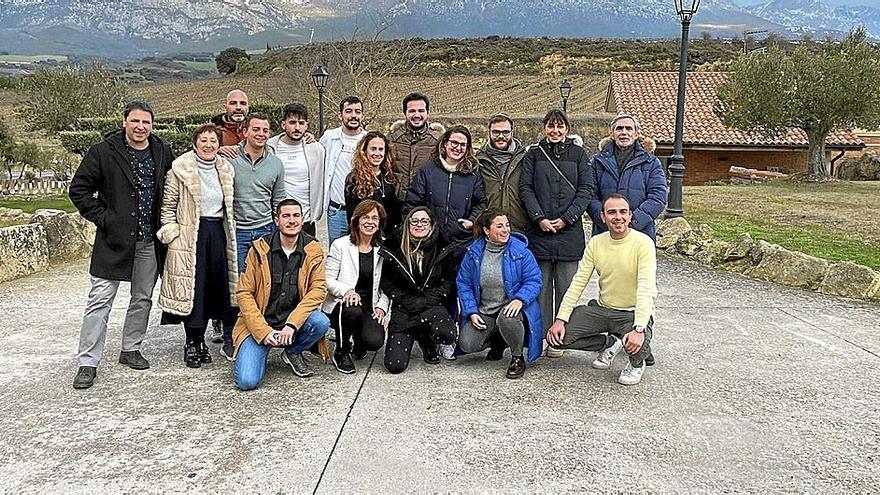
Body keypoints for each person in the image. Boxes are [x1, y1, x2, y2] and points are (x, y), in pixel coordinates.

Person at [69, 100, 173, 389]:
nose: (141, 127)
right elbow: (78, 190)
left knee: (142, 298)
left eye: (146, 123)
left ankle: (130, 348)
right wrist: (105, 219)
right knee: (100, 301)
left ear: (152, 125)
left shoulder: (162, 151)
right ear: (125, 121)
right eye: (136, 121)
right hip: (113, 240)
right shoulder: (103, 152)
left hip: (149, 241)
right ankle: (87, 362)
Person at [547, 193, 657, 386]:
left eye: (623, 212)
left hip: (631, 313)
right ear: (602, 217)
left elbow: (646, 288)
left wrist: (639, 328)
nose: (618, 217)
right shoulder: (596, 243)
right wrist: (560, 319)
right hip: (603, 309)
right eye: (612, 212)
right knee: (557, 339)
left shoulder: (643, 243)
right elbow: (578, 282)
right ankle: (610, 343)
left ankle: (636, 364)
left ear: (630, 216)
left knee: (638, 345)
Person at [156, 124, 238, 368]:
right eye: (203, 140)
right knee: (193, 289)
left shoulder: (225, 169)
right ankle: (193, 341)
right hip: (190, 234)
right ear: (195, 144)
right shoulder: (179, 171)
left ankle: (207, 338)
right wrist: (173, 233)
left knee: (215, 287)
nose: (209, 144)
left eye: (213, 140)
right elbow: (168, 207)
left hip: (217, 233)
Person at [232, 199, 331, 390]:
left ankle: (292, 351)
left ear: (302, 220)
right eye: (286, 216)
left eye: (296, 215)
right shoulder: (259, 249)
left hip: (293, 324)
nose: (292, 220)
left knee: (320, 322)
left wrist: (292, 325)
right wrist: (263, 331)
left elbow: (318, 290)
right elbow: (244, 293)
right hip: (261, 325)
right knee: (246, 382)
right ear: (276, 220)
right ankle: (260, 349)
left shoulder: (313, 249)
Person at [519, 109, 591, 359]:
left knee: (566, 289)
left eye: (560, 126)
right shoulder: (534, 155)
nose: (555, 130)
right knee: (540, 291)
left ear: (567, 129)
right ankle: (540, 338)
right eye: (551, 126)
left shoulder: (579, 155)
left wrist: (566, 218)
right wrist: (539, 217)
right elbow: (525, 188)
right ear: (544, 128)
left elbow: (586, 189)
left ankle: (560, 337)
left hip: (568, 234)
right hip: (540, 233)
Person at [224, 112, 286, 359]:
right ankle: (236, 335)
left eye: (265, 130)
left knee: (266, 282)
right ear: (245, 132)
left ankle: (265, 330)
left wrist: (278, 230)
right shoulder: (229, 159)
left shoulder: (275, 164)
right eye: (256, 129)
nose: (261, 134)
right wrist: (219, 149)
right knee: (239, 285)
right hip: (238, 230)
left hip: (265, 231)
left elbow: (278, 199)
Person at [455, 208, 543, 379]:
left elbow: (534, 279)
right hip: (485, 309)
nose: (506, 230)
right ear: (487, 231)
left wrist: (520, 299)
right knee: (467, 344)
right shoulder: (473, 253)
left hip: (511, 307)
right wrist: (471, 311)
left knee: (507, 318)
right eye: (500, 226)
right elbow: (463, 283)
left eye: (507, 225)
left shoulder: (521, 251)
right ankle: (498, 340)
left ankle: (517, 357)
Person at [378, 207, 458, 374]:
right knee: (395, 365)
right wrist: (405, 299)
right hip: (404, 306)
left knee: (447, 333)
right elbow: (386, 281)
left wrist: (427, 300)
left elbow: (449, 280)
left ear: (431, 224)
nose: (419, 224)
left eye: (424, 221)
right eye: (414, 221)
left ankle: (427, 341)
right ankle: (420, 332)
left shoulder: (443, 246)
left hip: (432, 304)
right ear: (408, 224)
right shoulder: (395, 246)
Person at [323, 200, 390, 374]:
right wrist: (347, 291)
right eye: (365, 217)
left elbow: (388, 284)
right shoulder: (341, 245)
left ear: (380, 222)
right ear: (356, 220)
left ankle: (359, 341)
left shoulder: (384, 247)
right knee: (352, 308)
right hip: (343, 304)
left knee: (374, 341)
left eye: (375, 218)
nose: (370, 222)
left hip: (370, 305)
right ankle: (342, 351)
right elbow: (327, 279)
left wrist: (382, 308)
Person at [403, 125, 487, 253]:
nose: (458, 148)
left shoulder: (473, 175)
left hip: (461, 241)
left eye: (463, 145)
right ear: (444, 143)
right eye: (454, 142)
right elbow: (413, 203)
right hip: (430, 241)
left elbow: (480, 203)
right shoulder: (427, 171)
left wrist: (471, 221)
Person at [587, 114, 667, 241]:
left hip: (640, 233)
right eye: (619, 128)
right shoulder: (597, 162)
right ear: (612, 134)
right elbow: (589, 194)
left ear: (636, 134)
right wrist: (605, 219)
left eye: (629, 129)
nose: (624, 132)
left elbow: (658, 196)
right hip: (605, 233)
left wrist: (632, 221)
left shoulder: (651, 162)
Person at [267, 102, 326, 237]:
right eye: (292, 122)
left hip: (306, 220)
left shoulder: (316, 149)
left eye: (301, 123)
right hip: (277, 220)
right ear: (283, 124)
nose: (297, 127)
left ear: (307, 125)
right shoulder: (270, 148)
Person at [320, 96, 367, 243]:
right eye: (348, 111)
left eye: (357, 112)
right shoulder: (329, 137)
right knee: (336, 255)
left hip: (362, 211)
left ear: (362, 116)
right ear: (340, 115)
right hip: (337, 211)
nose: (353, 115)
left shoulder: (369, 140)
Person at [476, 114, 529, 232]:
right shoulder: (478, 161)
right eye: (496, 132)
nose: (501, 136)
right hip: (489, 228)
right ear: (488, 133)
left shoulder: (525, 159)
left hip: (520, 227)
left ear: (512, 133)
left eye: (505, 132)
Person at [344, 130, 401, 238]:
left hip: (386, 238)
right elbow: (352, 215)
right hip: (362, 237)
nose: (377, 154)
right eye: (373, 149)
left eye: (381, 149)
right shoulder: (353, 179)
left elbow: (394, 213)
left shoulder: (390, 178)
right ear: (364, 151)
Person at [388, 92, 444, 200]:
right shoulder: (393, 139)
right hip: (396, 199)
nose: (417, 115)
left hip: (426, 199)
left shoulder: (437, 140)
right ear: (405, 113)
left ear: (427, 113)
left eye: (421, 111)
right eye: (412, 111)